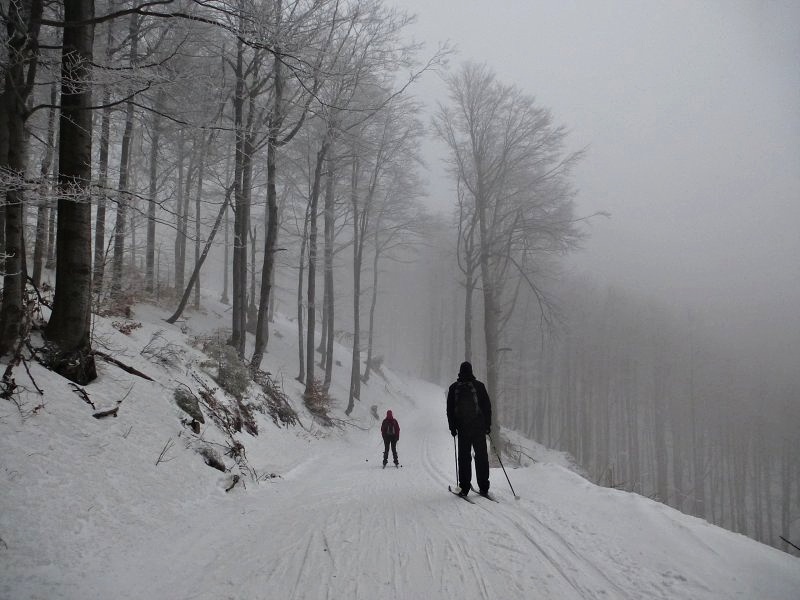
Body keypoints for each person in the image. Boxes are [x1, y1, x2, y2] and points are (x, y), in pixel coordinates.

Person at [446, 361, 492, 496]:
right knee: (481, 457)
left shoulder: (454, 388)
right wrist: (487, 425)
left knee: (464, 458)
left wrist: (452, 427)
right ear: (472, 371)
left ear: (460, 371)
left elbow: (449, 410)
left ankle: (464, 487)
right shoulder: (479, 386)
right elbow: (487, 407)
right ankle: (484, 486)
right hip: (478, 428)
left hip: (463, 429)